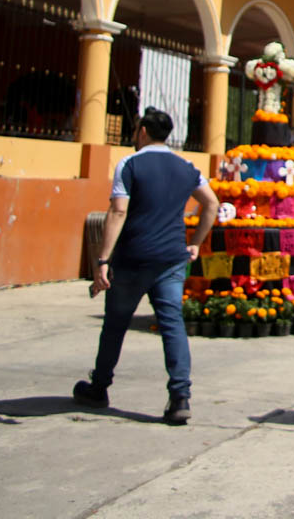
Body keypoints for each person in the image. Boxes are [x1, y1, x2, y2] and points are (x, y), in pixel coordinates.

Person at [73, 107, 219, 424]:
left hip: (132, 259)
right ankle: (180, 396)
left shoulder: (130, 163)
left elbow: (118, 212)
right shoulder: (187, 167)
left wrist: (102, 259)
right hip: (170, 259)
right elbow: (212, 203)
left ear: (142, 132)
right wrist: (195, 241)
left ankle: (99, 387)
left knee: (114, 324)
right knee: (172, 325)